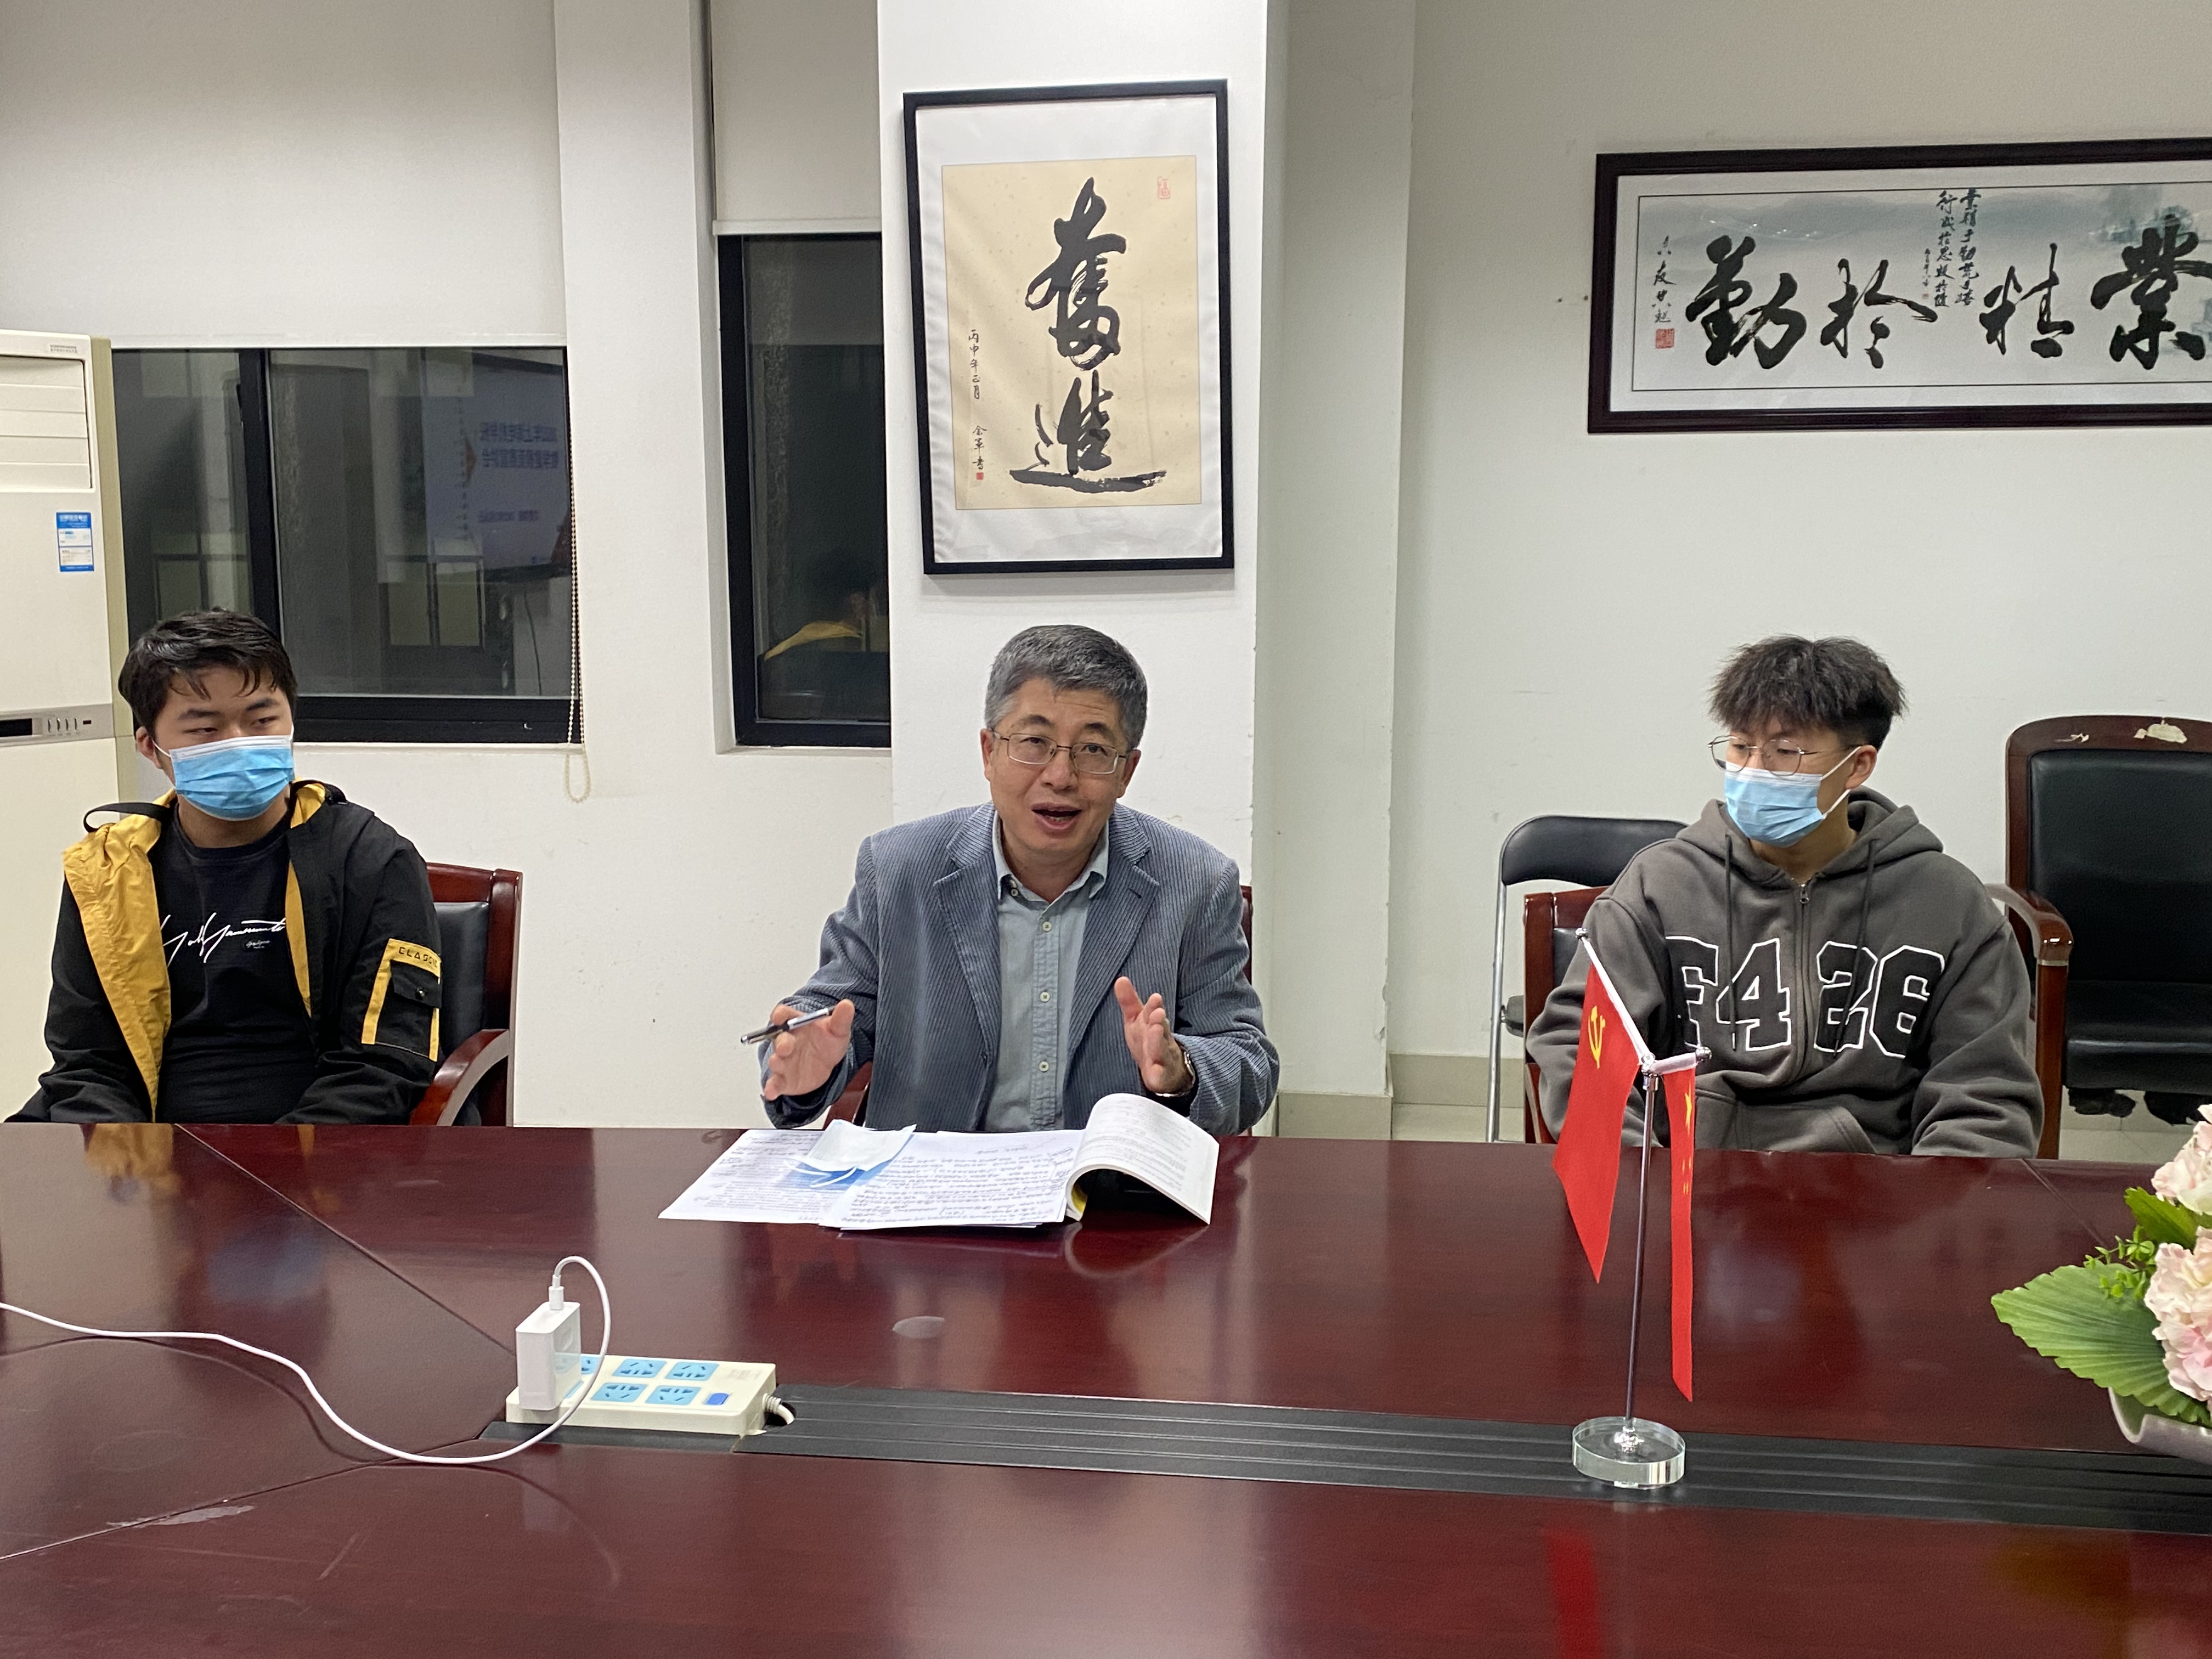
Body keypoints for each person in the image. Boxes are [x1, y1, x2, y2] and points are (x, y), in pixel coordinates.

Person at [1527, 635, 2040, 1156]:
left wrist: (1927, 1199)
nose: (1753, 770)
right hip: (1692, 1177)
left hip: (1878, 1186)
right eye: (1741, 747)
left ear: (1858, 765)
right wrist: (1642, 1176)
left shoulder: (1948, 904)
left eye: (1786, 752)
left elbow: (1985, 1095)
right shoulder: (1659, 886)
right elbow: (1580, 1045)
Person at [760, 624, 1278, 1135]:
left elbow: (1248, 1063)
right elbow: (828, 1015)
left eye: (1093, 750)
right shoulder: (898, 869)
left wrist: (1183, 1073)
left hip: (1106, 1182)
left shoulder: (1196, 883)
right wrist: (806, 1063)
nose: (1060, 776)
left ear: (1126, 772)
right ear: (989, 752)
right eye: (1034, 742)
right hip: (933, 1179)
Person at [15, 611, 443, 1125]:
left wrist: (274, 1163)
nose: (238, 742)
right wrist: (135, 1162)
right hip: (145, 1147)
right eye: (205, 728)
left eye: (262, 721)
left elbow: (384, 1065)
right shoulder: (107, 873)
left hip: (317, 1148)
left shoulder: (370, 859)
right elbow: (88, 1064)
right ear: (151, 747)